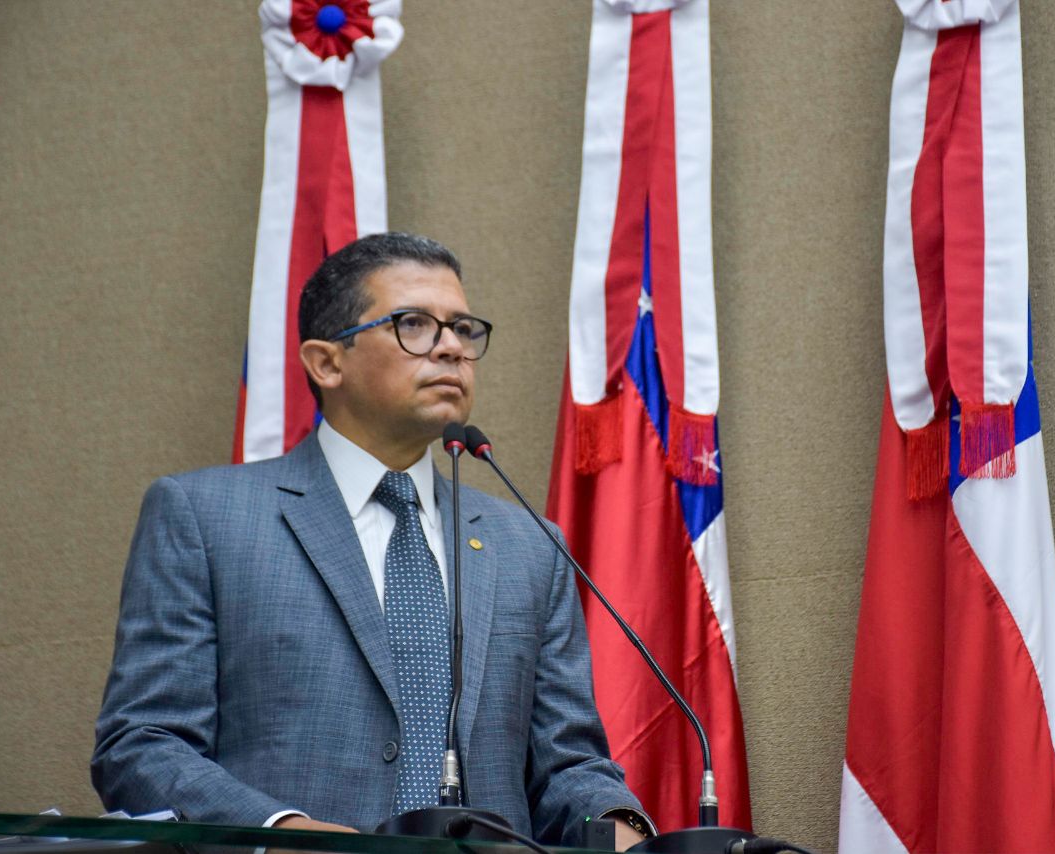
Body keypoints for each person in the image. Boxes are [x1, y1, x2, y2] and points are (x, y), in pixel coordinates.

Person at [93, 232, 651, 849]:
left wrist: (622, 831)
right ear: (326, 362)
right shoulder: (204, 517)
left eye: (463, 329)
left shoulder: (529, 544)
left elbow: (567, 765)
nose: (450, 349)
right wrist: (289, 833)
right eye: (415, 324)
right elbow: (143, 745)